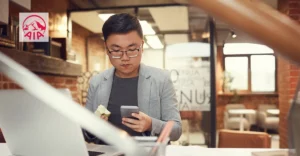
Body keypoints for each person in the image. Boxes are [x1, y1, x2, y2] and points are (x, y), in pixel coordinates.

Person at [84, 13, 182, 144]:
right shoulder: (97, 82)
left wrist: (151, 124)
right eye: (117, 50)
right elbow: (84, 131)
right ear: (107, 49)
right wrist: (93, 127)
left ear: (142, 46)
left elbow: (176, 130)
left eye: (132, 49)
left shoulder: (161, 79)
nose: (125, 58)